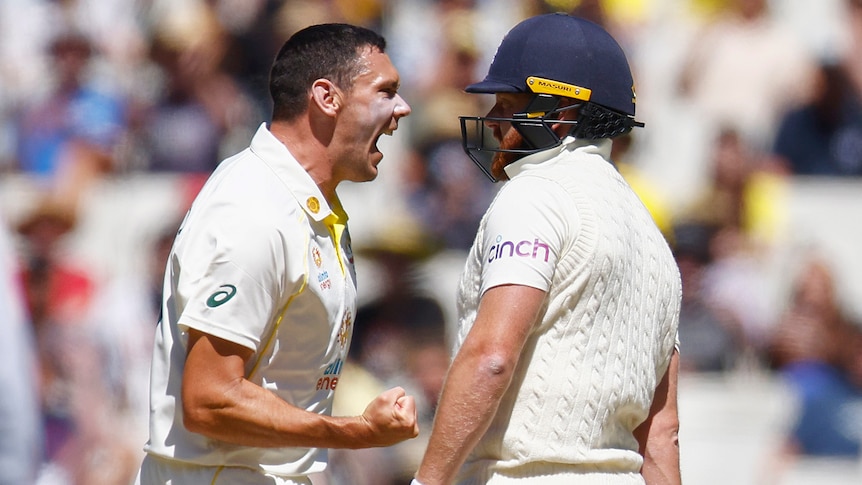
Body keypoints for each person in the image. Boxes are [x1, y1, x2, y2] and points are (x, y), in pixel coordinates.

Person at [136, 23, 417, 485]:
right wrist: (357, 432)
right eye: (385, 91)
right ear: (327, 97)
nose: (402, 109)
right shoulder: (254, 210)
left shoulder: (304, 204)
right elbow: (210, 400)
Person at [413, 13, 682, 484]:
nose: (493, 121)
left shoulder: (534, 195)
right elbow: (662, 433)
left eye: (508, 103)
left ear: (559, 114)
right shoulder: (653, 239)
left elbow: (492, 358)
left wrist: (427, 481)